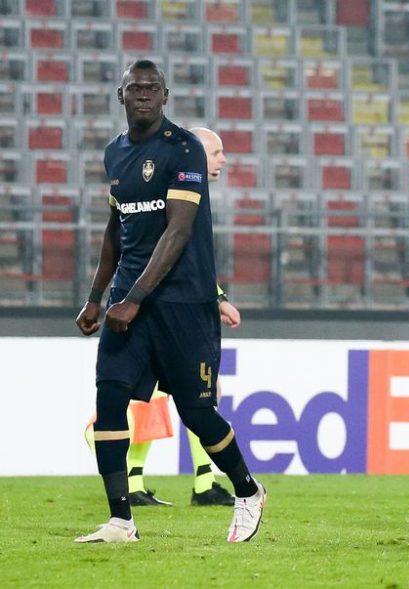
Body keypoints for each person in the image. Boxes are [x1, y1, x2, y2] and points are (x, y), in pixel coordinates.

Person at [74, 60, 265, 543]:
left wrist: (134, 298)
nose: (142, 93)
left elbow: (178, 232)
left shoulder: (184, 149)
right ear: (120, 96)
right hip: (127, 303)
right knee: (110, 398)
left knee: (196, 412)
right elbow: (117, 231)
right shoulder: (115, 153)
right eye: (133, 87)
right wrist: (97, 297)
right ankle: (121, 520)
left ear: (165, 95)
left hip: (182, 302)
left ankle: (246, 490)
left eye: (151, 87)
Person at [81, 126, 241, 508]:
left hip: (172, 305)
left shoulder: (189, 192)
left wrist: (216, 297)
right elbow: (152, 247)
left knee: (191, 401)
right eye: (215, 152)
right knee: (160, 401)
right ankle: (145, 483)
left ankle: (195, 484)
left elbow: (188, 258)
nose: (222, 159)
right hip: (154, 309)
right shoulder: (164, 181)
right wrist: (107, 298)